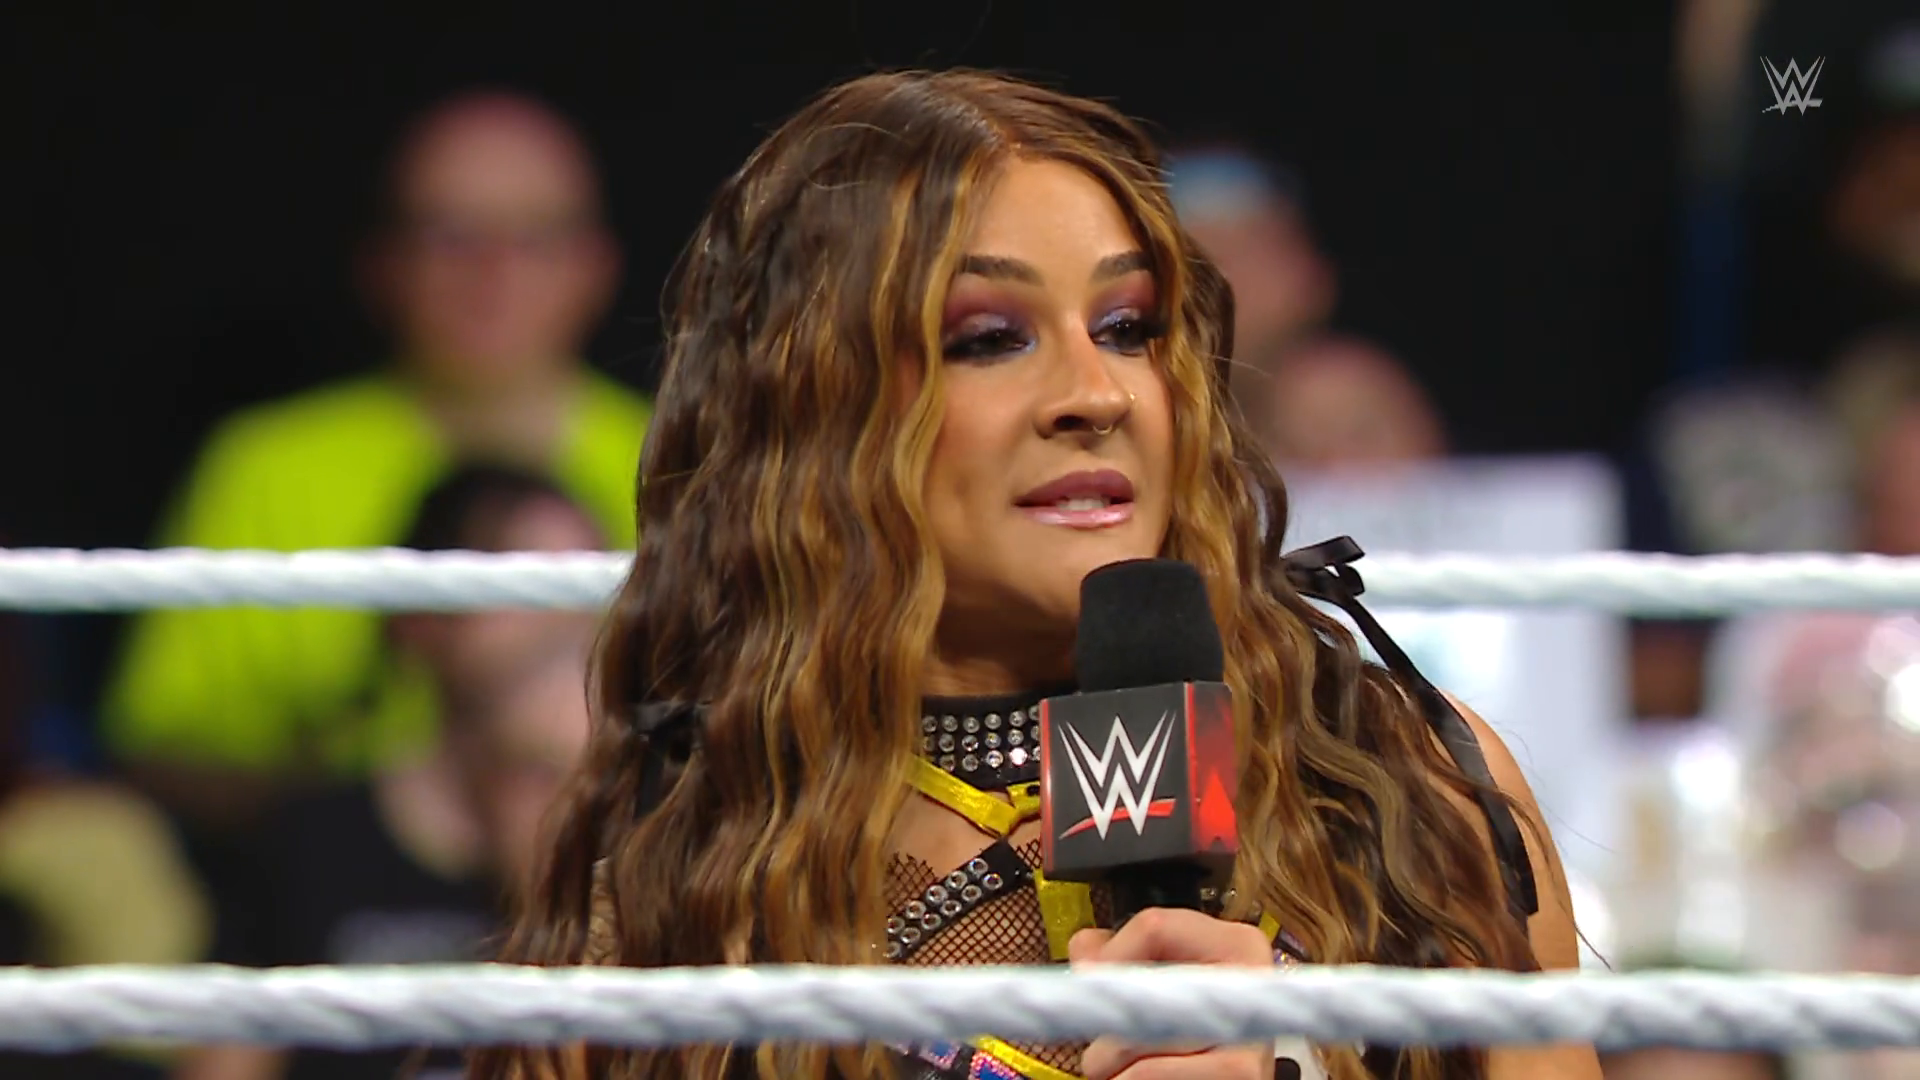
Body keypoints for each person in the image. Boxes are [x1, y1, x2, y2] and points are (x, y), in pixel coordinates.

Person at [473, 71, 1595, 1080]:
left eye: (1127, 326)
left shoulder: (1406, 787)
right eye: (990, 337)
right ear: (815, 412)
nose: (1095, 393)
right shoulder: (678, 868)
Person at [103, 89, 649, 804]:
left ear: (596, 266)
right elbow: (164, 747)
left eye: (535, 238)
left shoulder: (686, 461)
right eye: (450, 235)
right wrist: (371, 807)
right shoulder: (266, 465)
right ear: (384, 264)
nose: (493, 272)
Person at [174, 465, 601, 1080]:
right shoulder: (306, 845)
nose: (566, 627)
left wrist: (548, 863)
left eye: (587, 587)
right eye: (530, 587)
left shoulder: (644, 838)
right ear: (421, 623)